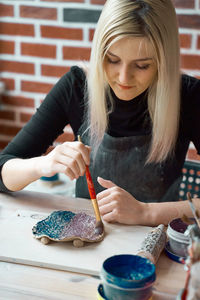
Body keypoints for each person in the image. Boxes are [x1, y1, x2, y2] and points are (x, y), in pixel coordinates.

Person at [0, 0, 200, 226]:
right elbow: (3, 170)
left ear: (164, 62)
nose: (123, 78)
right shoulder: (76, 87)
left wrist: (146, 213)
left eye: (142, 65)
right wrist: (42, 164)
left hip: (158, 237)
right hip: (88, 237)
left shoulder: (189, 96)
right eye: (112, 60)